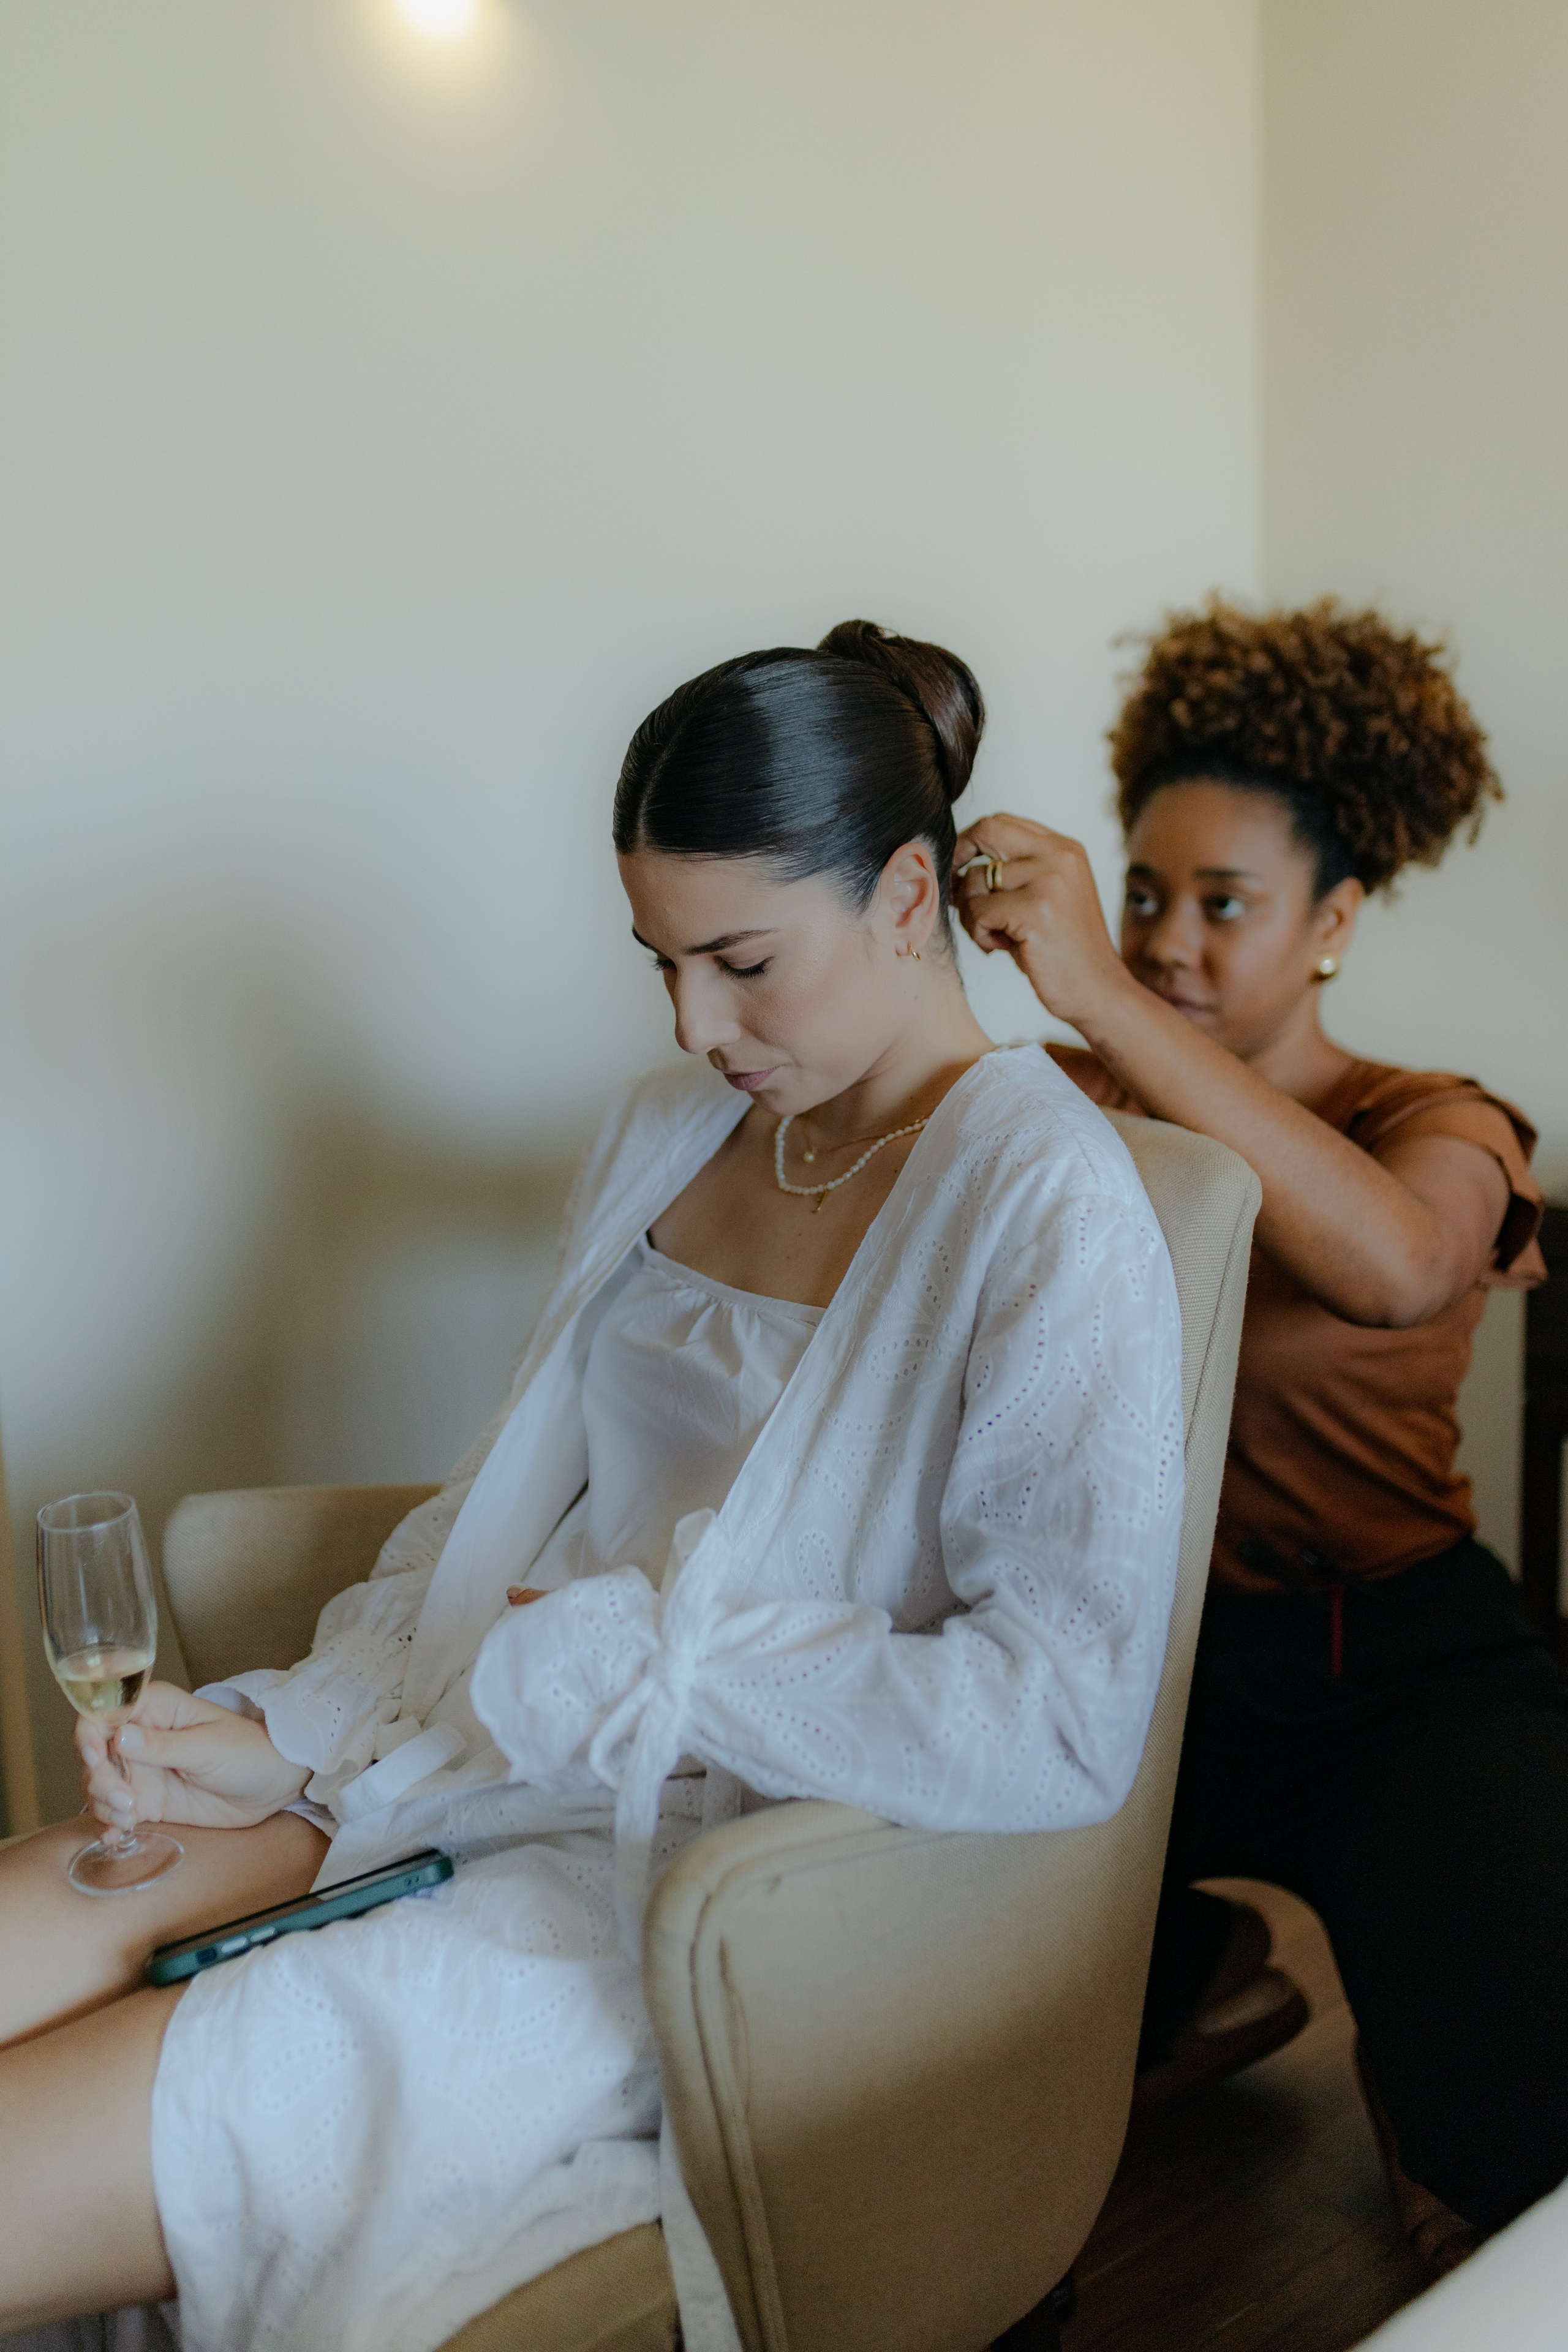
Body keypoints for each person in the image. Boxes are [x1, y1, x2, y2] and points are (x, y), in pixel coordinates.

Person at [0, 620, 1184, 2351]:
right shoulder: (666, 1128)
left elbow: (1061, 1718)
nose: (698, 1021)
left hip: (669, 1871)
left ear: (912, 895)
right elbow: (503, 1507)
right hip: (445, 1753)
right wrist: (294, 1730)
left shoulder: (1049, 1205)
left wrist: (642, 1664)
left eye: (742, 961)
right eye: (661, 963)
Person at [952, 597, 1557, 2272]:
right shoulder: (1072, 1106)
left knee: (1493, 2186)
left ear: (1334, 921)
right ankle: (1210, 1970)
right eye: (1142, 895)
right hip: (1148, 1671)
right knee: (945, 2065)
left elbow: (1395, 1265)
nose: (1168, 943)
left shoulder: (1433, 1120)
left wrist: (1098, 995)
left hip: (1403, 1664)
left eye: (1226, 905)